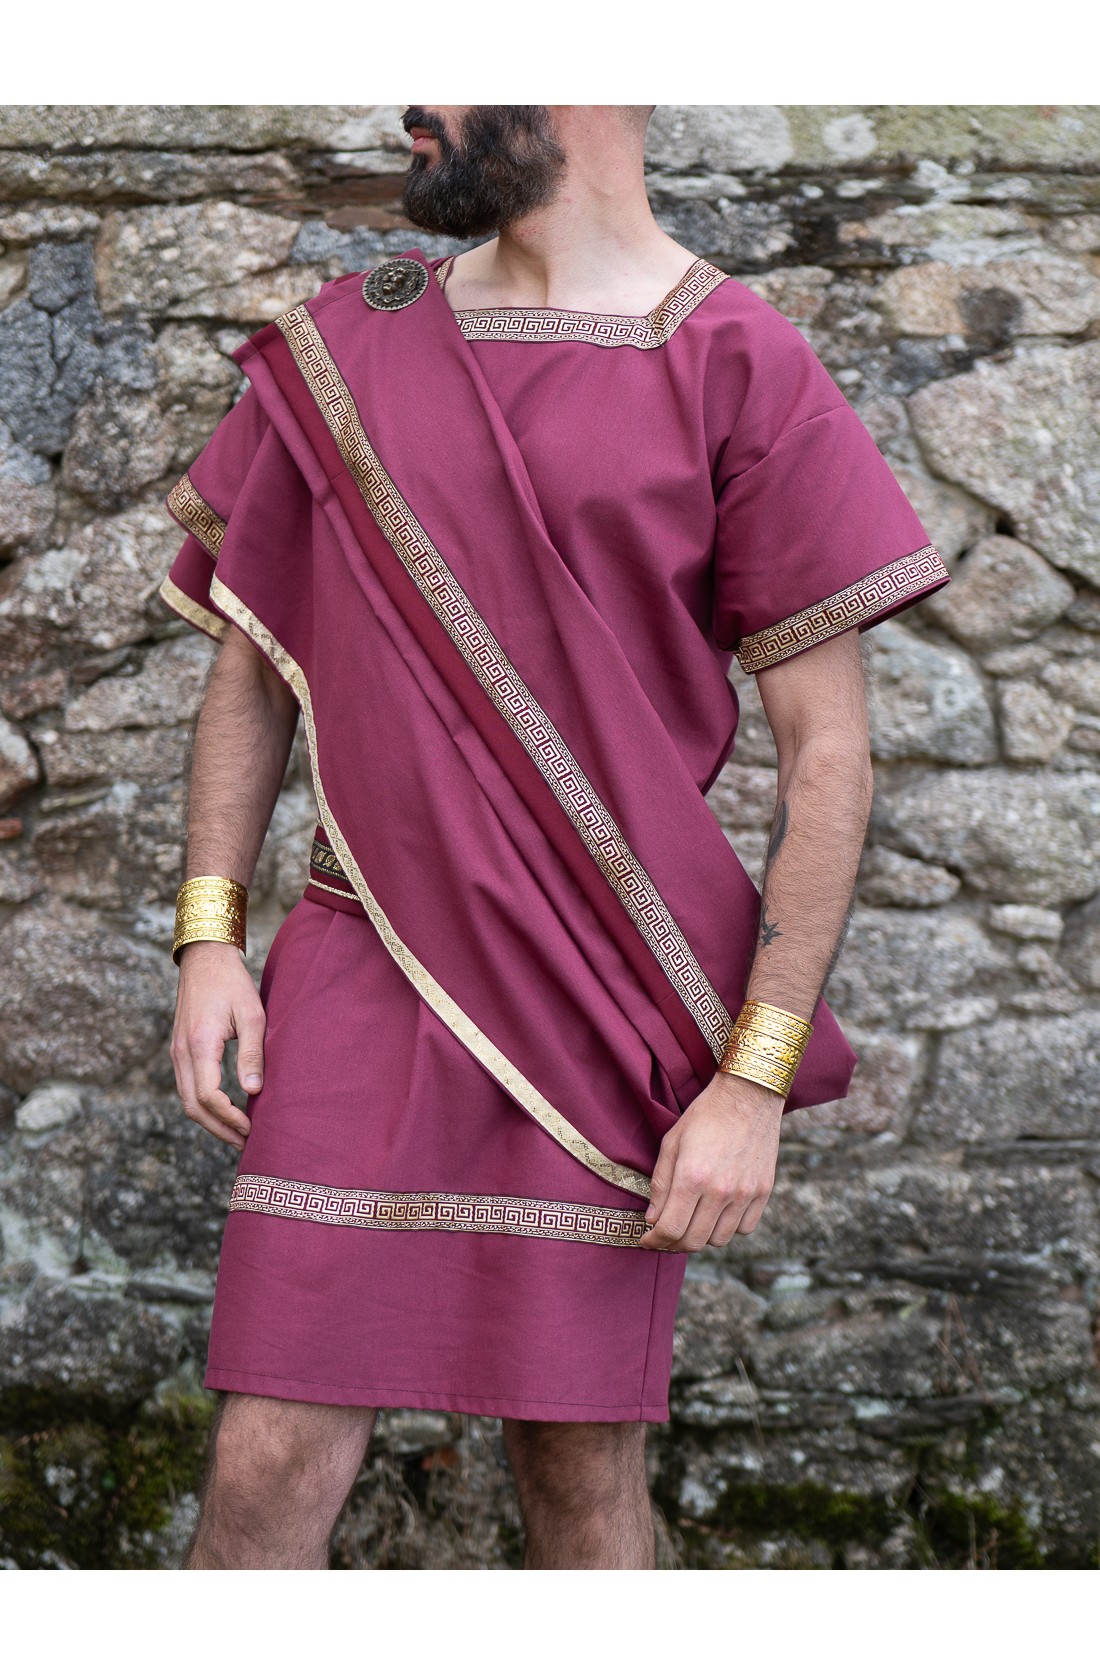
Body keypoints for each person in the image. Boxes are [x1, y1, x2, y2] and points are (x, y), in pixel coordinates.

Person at [160, 104, 949, 1570]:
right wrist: (209, 936)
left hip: (600, 1000)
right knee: (264, 1464)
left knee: (579, 1473)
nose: (417, 99)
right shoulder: (354, 342)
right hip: (360, 961)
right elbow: (253, 666)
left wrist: (753, 1078)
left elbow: (828, 755)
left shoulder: (735, 358)